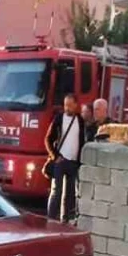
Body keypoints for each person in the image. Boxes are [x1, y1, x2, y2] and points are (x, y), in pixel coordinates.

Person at [45, 94, 86, 223]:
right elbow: (48, 139)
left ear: (75, 105)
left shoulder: (80, 120)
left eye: (69, 105)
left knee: (69, 194)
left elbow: (82, 140)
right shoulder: (59, 118)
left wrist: (79, 161)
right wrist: (55, 156)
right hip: (60, 160)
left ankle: (65, 220)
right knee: (56, 191)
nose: (67, 108)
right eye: (65, 105)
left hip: (73, 162)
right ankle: (50, 219)